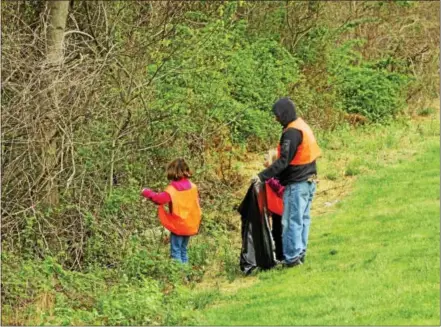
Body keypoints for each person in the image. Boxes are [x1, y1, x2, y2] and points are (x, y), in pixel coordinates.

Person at [252, 97, 320, 268]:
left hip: (297, 183)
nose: (276, 119)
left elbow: (283, 161)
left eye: (277, 115)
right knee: (302, 220)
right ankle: (299, 254)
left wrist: (262, 176)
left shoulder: (291, 132)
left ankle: (291, 259)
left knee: (291, 222)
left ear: (284, 113)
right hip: (309, 180)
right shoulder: (301, 125)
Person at [141, 158, 202, 264]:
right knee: (183, 250)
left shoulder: (172, 189)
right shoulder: (193, 187)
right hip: (190, 224)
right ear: (186, 170)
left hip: (178, 225)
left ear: (172, 171)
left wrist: (146, 192)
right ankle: (186, 276)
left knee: (176, 252)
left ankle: (178, 277)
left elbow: (159, 199)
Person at [264, 149, 284, 261]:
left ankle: (281, 256)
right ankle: (278, 255)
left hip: (280, 209)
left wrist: (268, 179)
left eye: (266, 157)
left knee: (279, 232)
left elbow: (280, 189)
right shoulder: (269, 173)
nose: (264, 159)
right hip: (274, 209)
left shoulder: (276, 175)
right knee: (276, 232)